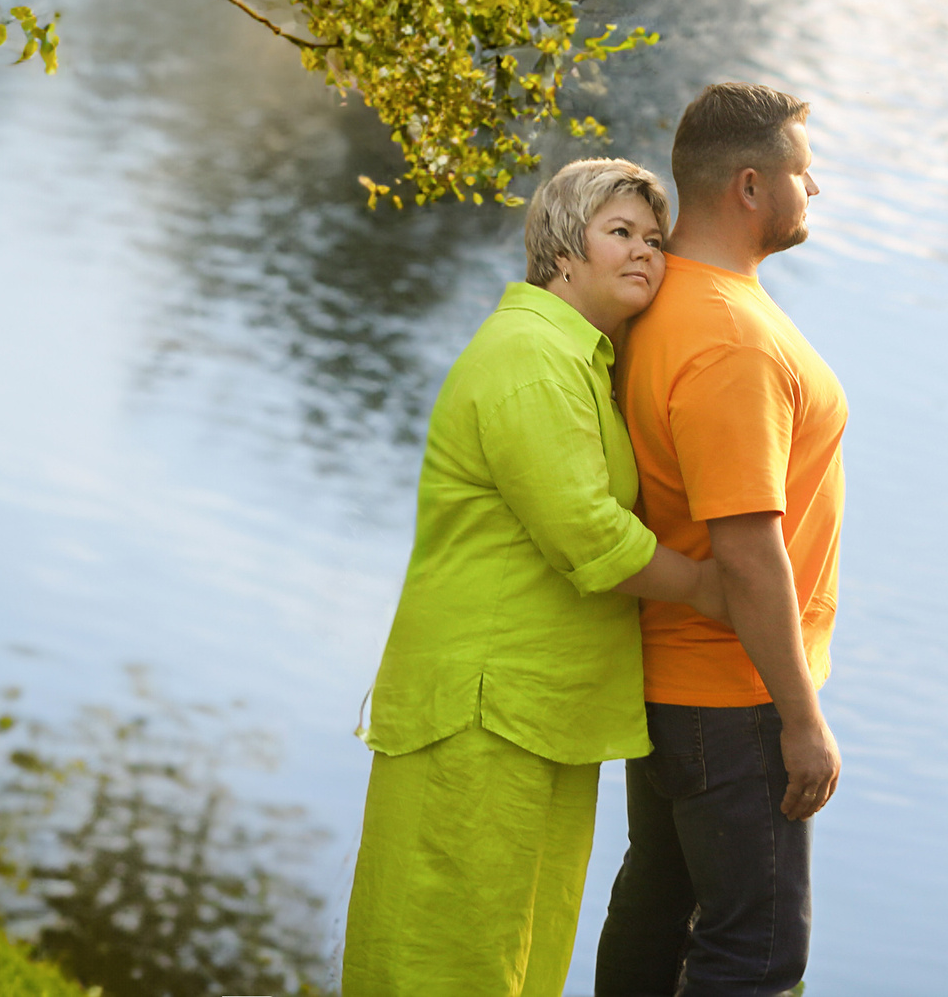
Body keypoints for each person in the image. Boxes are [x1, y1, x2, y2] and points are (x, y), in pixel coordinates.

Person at [343, 159, 729, 997]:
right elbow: (587, 535)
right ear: (562, 246)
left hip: (542, 710)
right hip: (485, 710)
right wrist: (710, 588)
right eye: (619, 232)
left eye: (654, 240)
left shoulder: (581, 358)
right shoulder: (529, 355)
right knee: (449, 955)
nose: (645, 254)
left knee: (516, 958)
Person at [596, 83, 849, 997]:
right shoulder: (730, 340)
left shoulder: (663, 302)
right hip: (734, 696)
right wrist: (800, 718)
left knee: (658, 917)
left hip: (670, 687)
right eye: (801, 171)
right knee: (756, 954)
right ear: (750, 186)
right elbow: (746, 547)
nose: (813, 188)